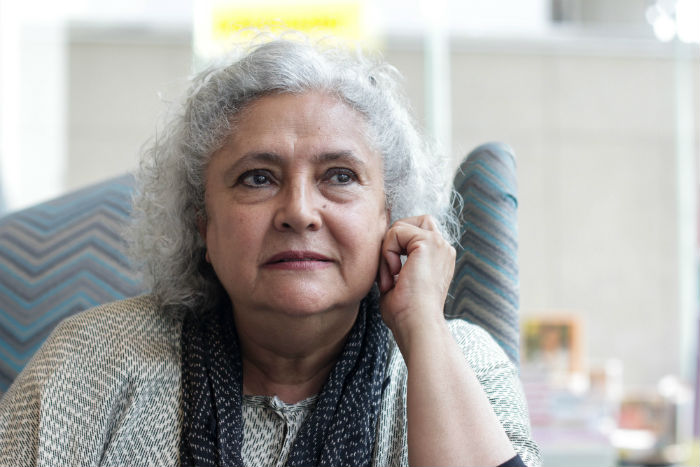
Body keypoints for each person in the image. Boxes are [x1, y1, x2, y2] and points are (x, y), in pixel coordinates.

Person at [0, 36, 541, 466]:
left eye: (340, 176)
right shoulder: (92, 358)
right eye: (257, 178)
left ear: (389, 218)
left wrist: (424, 327)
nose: (299, 211)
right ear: (203, 226)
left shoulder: (460, 359)